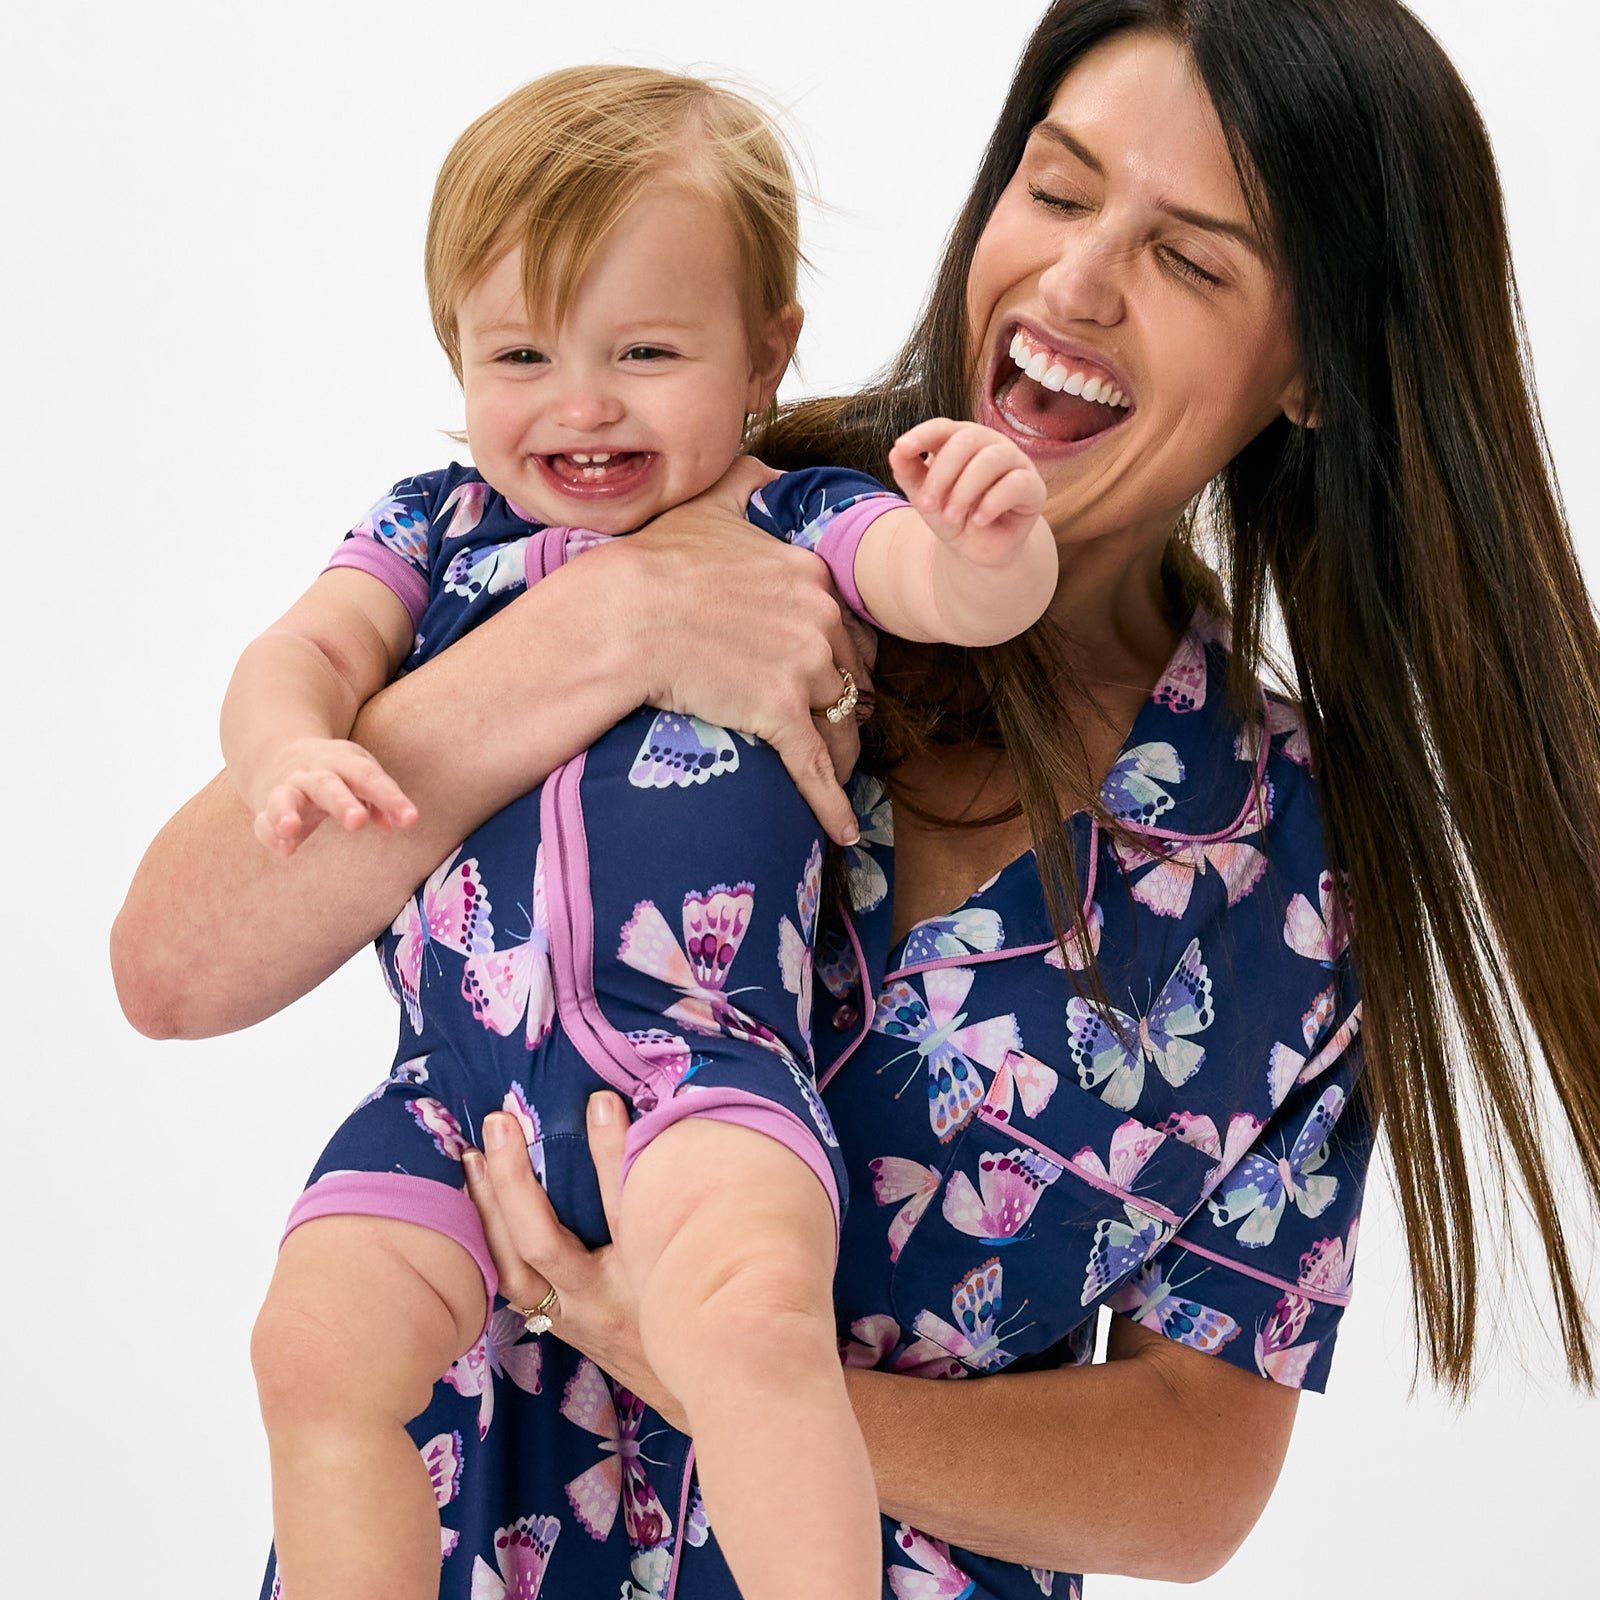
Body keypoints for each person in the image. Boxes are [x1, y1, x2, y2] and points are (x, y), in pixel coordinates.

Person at [112, 3, 1600, 1598]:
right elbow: (179, 968)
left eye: (1193, 259)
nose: (1078, 283)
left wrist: (720, 1373)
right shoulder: (687, 483)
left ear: (1312, 370)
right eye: (1058, 185)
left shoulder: (1295, 870)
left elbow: (1190, 1484)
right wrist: (610, 623)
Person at [216, 65, 1060, 1600]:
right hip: (451, 1095)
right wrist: (284, 747)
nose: (581, 403)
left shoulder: (790, 518)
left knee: (747, 1331)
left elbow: (941, 594)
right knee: (311, 1348)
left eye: (647, 351)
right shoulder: (434, 531)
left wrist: (992, 543)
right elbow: (302, 657)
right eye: (522, 352)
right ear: (456, 357)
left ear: (765, 354)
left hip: (703, 1070)